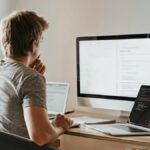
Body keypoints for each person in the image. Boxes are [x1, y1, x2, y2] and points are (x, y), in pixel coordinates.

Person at [0, 10, 73, 147]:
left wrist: (29, 74)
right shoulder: (31, 78)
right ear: (33, 45)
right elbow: (40, 137)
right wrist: (60, 126)